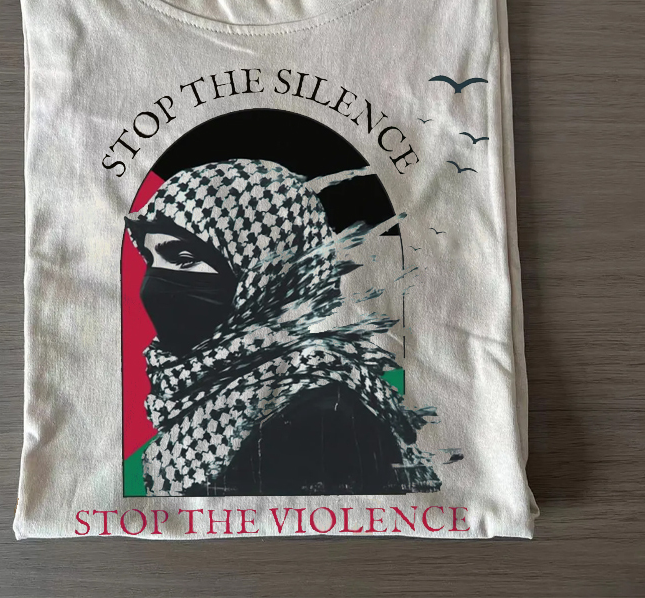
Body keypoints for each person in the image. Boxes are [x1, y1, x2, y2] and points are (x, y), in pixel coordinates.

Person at [125, 159, 440, 496]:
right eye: (150, 259)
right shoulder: (201, 395)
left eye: (184, 259)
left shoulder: (322, 417)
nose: (151, 287)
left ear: (264, 274)